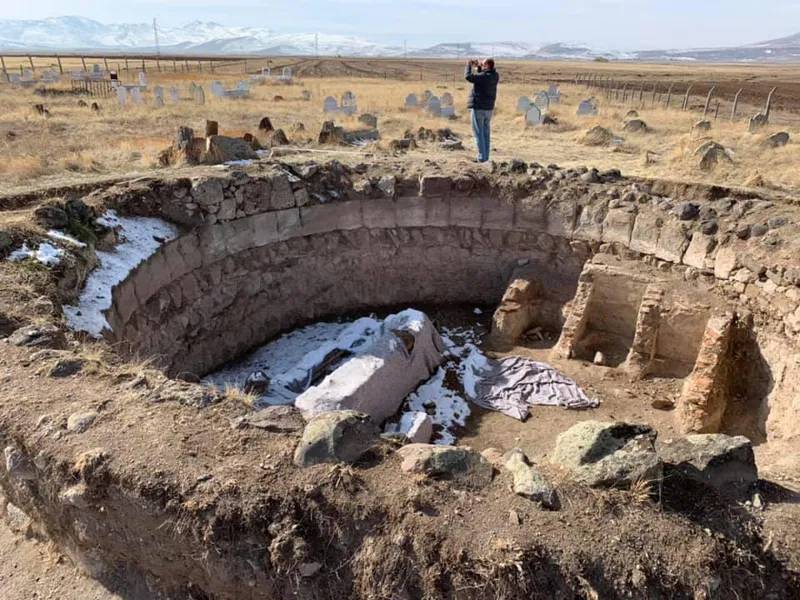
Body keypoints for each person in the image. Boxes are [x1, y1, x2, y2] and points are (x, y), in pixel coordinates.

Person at [465, 58, 499, 163]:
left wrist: (468, 66)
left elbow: (469, 77)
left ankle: (481, 157)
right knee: (485, 134)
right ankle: (486, 157)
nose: (482, 65)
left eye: (484, 64)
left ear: (488, 66)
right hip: (488, 109)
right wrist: (479, 67)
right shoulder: (495, 75)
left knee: (478, 133)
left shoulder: (484, 76)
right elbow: (482, 77)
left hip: (479, 108)